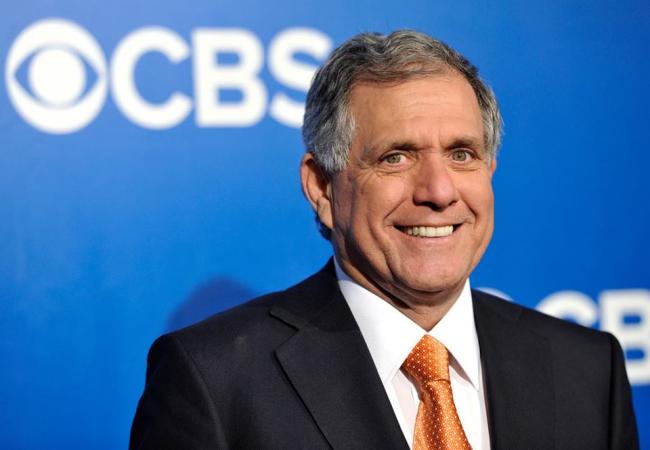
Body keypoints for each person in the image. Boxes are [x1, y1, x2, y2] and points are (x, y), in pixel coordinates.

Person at [130, 30, 638, 449]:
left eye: (462, 154)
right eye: (396, 157)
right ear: (322, 187)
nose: (439, 192)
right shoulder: (214, 381)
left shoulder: (588, 370)